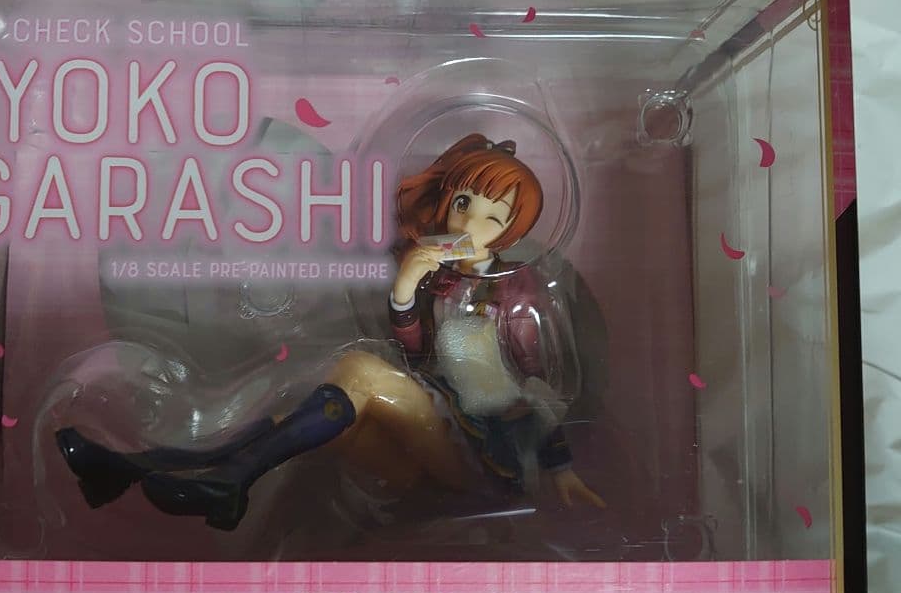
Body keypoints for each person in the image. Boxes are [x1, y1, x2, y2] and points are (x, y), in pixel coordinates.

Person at [56, 134, 605, 530]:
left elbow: (535, 386)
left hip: (486, 456)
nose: (467, 224)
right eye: (463, 204)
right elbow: (416, 355)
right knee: (309, 410)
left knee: (358, 370)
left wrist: (559, 467)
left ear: (510, 229)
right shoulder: (435, 277)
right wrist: (406, 288)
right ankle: (135, 466)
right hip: (423, 445)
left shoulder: (516, 290)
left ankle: (226, 479)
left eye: (491, 217)